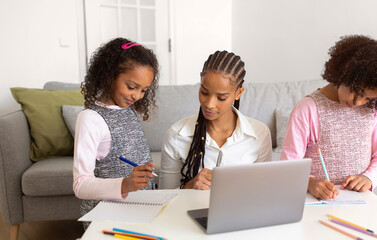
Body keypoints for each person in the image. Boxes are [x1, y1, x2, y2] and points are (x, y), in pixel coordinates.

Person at [280, 35, 377, 200]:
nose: (358, 102)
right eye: (358, 92)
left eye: (367, 98)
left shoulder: (374, 110)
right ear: (344, 74)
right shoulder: (307, 110)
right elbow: (288, 167)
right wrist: (309, 183)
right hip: (317, 202)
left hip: (359, 202)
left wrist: (369, 178)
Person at [72, 37, 160, 228]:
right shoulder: (90, 119)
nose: (137, 96)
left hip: (139, 211)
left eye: (144, 90)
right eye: (131, 87)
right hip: (107, 217)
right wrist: (126, 184)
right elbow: (80, 185)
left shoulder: (127, 109)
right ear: (109, 76)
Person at [160, 50, 272, 190]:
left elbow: (264, 191)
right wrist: (189, 187)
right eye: (204, 92)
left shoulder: (259, 133)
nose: (209, 104)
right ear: (201, 79)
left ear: (238, 93)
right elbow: (164, 197)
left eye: (221, 97)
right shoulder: (177, 135)